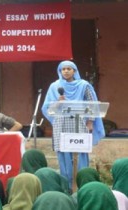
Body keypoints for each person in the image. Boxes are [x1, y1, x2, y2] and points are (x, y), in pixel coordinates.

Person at [41, 60, 105, 190]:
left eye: (69, 69)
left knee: (80, 152)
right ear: (60, 71)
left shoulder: (83, 85)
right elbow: (47, 108)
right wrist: (58, 103)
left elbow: (93, 104)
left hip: (79, 123)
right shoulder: (55, 86)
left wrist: (90, 121)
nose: (65, 71)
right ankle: (67, 187)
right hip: (61, 124)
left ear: (74, 71)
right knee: (64, 153)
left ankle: (82, 186)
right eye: (63, 69)